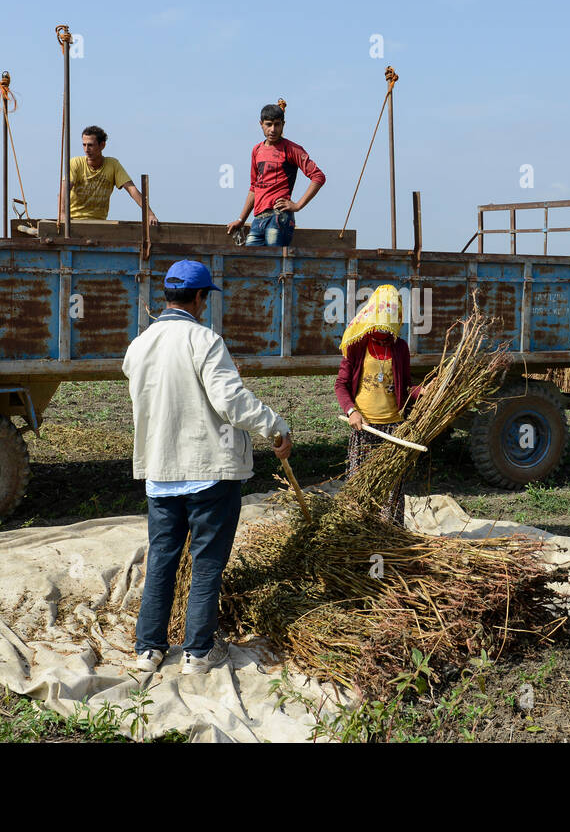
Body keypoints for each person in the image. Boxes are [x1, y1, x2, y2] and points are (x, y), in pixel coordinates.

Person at [123, 259, 292, 675]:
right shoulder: (204, 340)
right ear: (200, 297)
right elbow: (231, 402)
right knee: (207, 561)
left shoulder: (138, 346)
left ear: (168, 295)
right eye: (205, 298)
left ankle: (149, 650)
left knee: (161, 557)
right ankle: (199, 652)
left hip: (160, 473)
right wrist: (275, 426)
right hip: (208, 473)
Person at [334, 285, 421, 525]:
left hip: (394, 431)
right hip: (365, 429)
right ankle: (360, 535)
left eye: (392, 315)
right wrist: (352, 411)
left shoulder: (400, 347)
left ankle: (390, 536)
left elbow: (404, 387)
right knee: (361, 487)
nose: (386, 322)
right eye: (384, 314)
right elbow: (341, 385)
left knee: (393, 490)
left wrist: (422, 391)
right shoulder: (357, 344)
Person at [226, 102, 325, 247]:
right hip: (259, 218)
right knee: (250, 261)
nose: (273, 129)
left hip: (279, 216)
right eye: (268, 124)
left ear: (283, 125)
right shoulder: (257, 150)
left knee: (273, 262)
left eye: (277, 124)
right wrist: (241, 220)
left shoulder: (291, 149)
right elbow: (254, 187)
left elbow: (318, 176)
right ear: (261, 124)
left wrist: (297, 205)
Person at [59, 125, 159, 225]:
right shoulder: (75, 163)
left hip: (100, 222)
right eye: (84, 145)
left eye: (90, 145)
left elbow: (132, 189)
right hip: (75, 220)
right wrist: (62, 213)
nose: (86, 149)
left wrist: (149, 214)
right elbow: (65, 188)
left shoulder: (112, 164)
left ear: (102, 145)